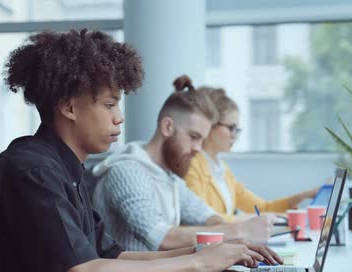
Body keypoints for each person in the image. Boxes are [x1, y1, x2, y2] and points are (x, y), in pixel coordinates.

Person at [0, 30, 275, 272]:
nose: (119, 116)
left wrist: (208, 252)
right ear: (68, 106)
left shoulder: (64, 170)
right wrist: (198, 264)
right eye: (109, 104)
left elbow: (112, 258)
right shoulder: (32, 172)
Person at [92, 75, 281, 254]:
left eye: (201, 140)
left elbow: (209, 217)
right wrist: (240, 231)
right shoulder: (127, 171)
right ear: (168, 127)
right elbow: (162, 238)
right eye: (193, 137)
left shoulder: (169, 176)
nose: (198, 148)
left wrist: (229, 228)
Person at [184, 87, 319, 221]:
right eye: (231, 128)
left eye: (237, 129)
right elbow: (204, 219)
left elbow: (262, 208)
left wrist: (303, 196)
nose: (235, 135)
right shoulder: (191, 166)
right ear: (209, 125)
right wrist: (256, 219)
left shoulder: (221, 169)